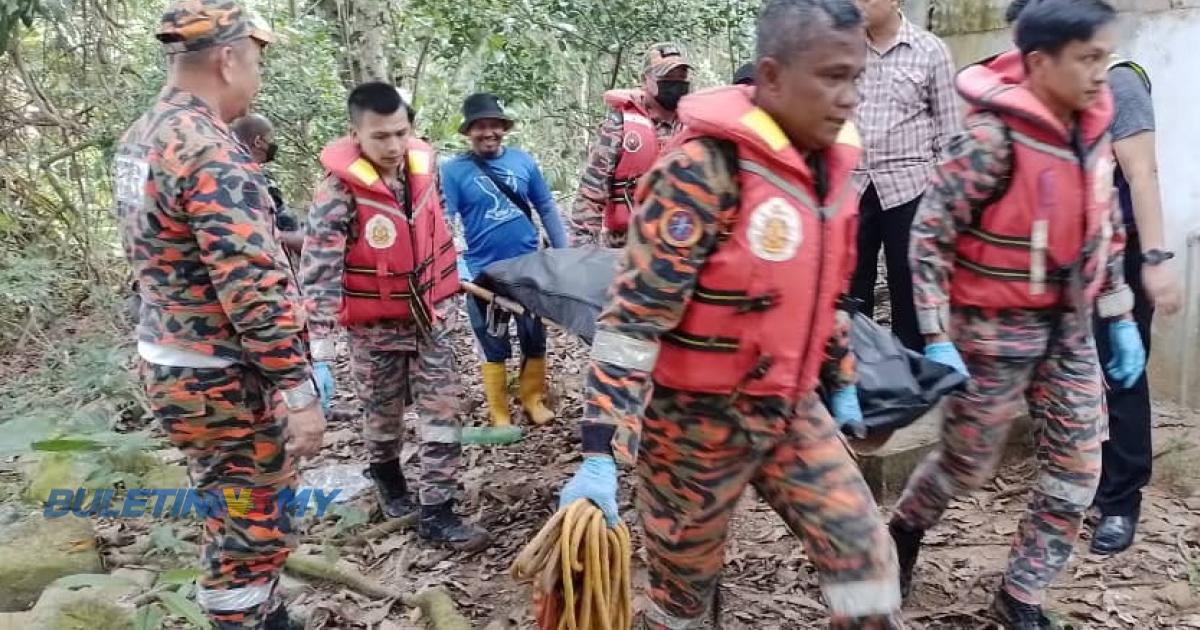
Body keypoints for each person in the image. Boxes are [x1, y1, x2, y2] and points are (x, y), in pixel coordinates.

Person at [558, 1, 905, 627]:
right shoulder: (699, 174)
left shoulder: (828, 170)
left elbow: (820, 293)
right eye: (831, 77)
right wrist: (600, 450)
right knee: (683, 602)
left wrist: (845, 380)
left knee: (867, 563)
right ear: (771, 76)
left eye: (857, 77)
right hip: (693, 426)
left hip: (789, 408)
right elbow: (632, 323)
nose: (850, 96)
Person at [888, 1, 1146, 627]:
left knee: (1079, 468)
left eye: (1103, 58)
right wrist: (934, 332)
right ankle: (902, 533)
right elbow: (928, 239)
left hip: (1070, 329)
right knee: (965, 465)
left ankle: (1021, 593)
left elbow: (1104, 230)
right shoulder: (989, 139)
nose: (1098, 73)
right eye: (1087, 58)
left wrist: (1118, 316)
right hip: (991, 329)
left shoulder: (1091, 130)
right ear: (1039, 62)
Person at [112, 1, 324, 627]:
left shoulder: (141, 137)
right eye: (256, 61)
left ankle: (263, 612)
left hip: (173, 361)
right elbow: (252, 287)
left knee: (230, 508)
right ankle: (244, 618)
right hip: (219, 377)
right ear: (229, 59)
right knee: (254, 526)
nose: (256, 76)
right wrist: (298, 387)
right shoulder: (210, 151)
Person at [1006, 0, 1184, 558]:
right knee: (1066, 371)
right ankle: (1077, 481)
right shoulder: (1036, 89)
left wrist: (1155, 260)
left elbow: (1142, 172)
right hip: (1060, 254)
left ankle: (1121, 499)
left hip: (1119, 254)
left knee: (1120, 375)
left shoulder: (1118, 80)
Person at [300, 82, 487, 548]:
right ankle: (387, 476)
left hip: (431, 317)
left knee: (442, 412)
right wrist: (318, 344)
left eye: (401, 133)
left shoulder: (427, 167)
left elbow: (438, 221)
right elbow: (320, 267)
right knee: (383, 419)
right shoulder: (338, 190)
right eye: (380, 136)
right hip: (374, 327)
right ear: (356, 134)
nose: (393, 146)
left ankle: (437, 511)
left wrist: (451, 270)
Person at [441, 93, 570, 430]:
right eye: (480, 126)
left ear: (503, 128)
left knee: (533, 334)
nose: (488, 132)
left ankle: (532, 399)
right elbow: (443, 221)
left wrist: (563, 253)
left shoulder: (523, 162)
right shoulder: (453, 171)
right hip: (483, 273)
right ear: (469, 131)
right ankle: (498, 411)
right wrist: (454, 267)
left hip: (529, 267)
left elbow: (546, 208)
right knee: (491, 338)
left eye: (494, 125)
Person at [848, 0, 958, 351]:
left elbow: (949, 132)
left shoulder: (930, 50)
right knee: (851, 281)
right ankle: (855, 368)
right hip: (853, 183)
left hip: (909, 187)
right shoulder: (843, 46)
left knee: (908, 283)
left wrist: (945, 201)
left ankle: (910, 368)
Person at [570, 43, 692, 248]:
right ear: (645, 79)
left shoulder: (693, 126)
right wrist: (582, 253)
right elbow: (591, 194)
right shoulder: (618, 126)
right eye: (667, 77)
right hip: (626, 247)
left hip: (679, 246)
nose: (675, 83)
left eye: (681, 77)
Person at [231, 114, 305, 259]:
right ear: (258, 141)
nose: (273, 146)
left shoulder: (254, 175)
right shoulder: (248, 180)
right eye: (271, 140)